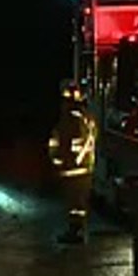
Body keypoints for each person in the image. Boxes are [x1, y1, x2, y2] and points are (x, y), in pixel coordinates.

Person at [48, 79, 97, 244]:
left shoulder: (70, 117)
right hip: (85, 167)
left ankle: (75, 233)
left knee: (74, 204)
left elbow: (63, 142)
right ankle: (78, 230)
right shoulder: (87, 116)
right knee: (80, 203)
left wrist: (58, 161)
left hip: (73, 167)